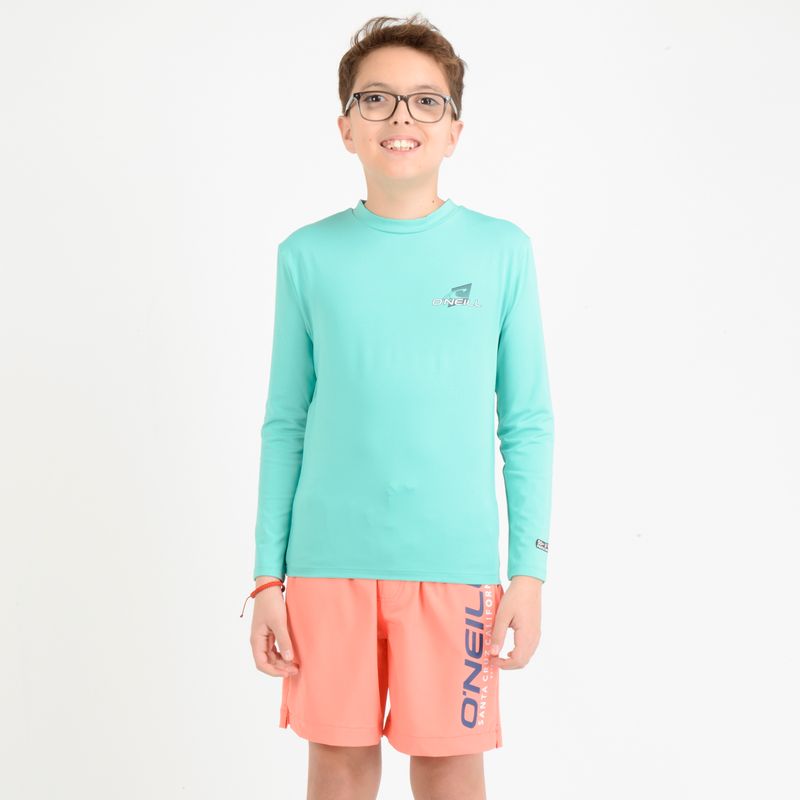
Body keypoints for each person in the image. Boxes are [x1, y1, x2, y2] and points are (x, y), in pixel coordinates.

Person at [246, 13, 555, 800]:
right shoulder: (306, 256)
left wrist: (529, 571)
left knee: (449, 769)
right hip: (327, 567)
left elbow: (526, 423)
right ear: (346, 127)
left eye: (425, 101)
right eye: (376, 98)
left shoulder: (501, 252)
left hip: (453, 567)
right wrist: (266, 580)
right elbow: (286, 423)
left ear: (454, 131)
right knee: (339, 766)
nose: (400, 117)